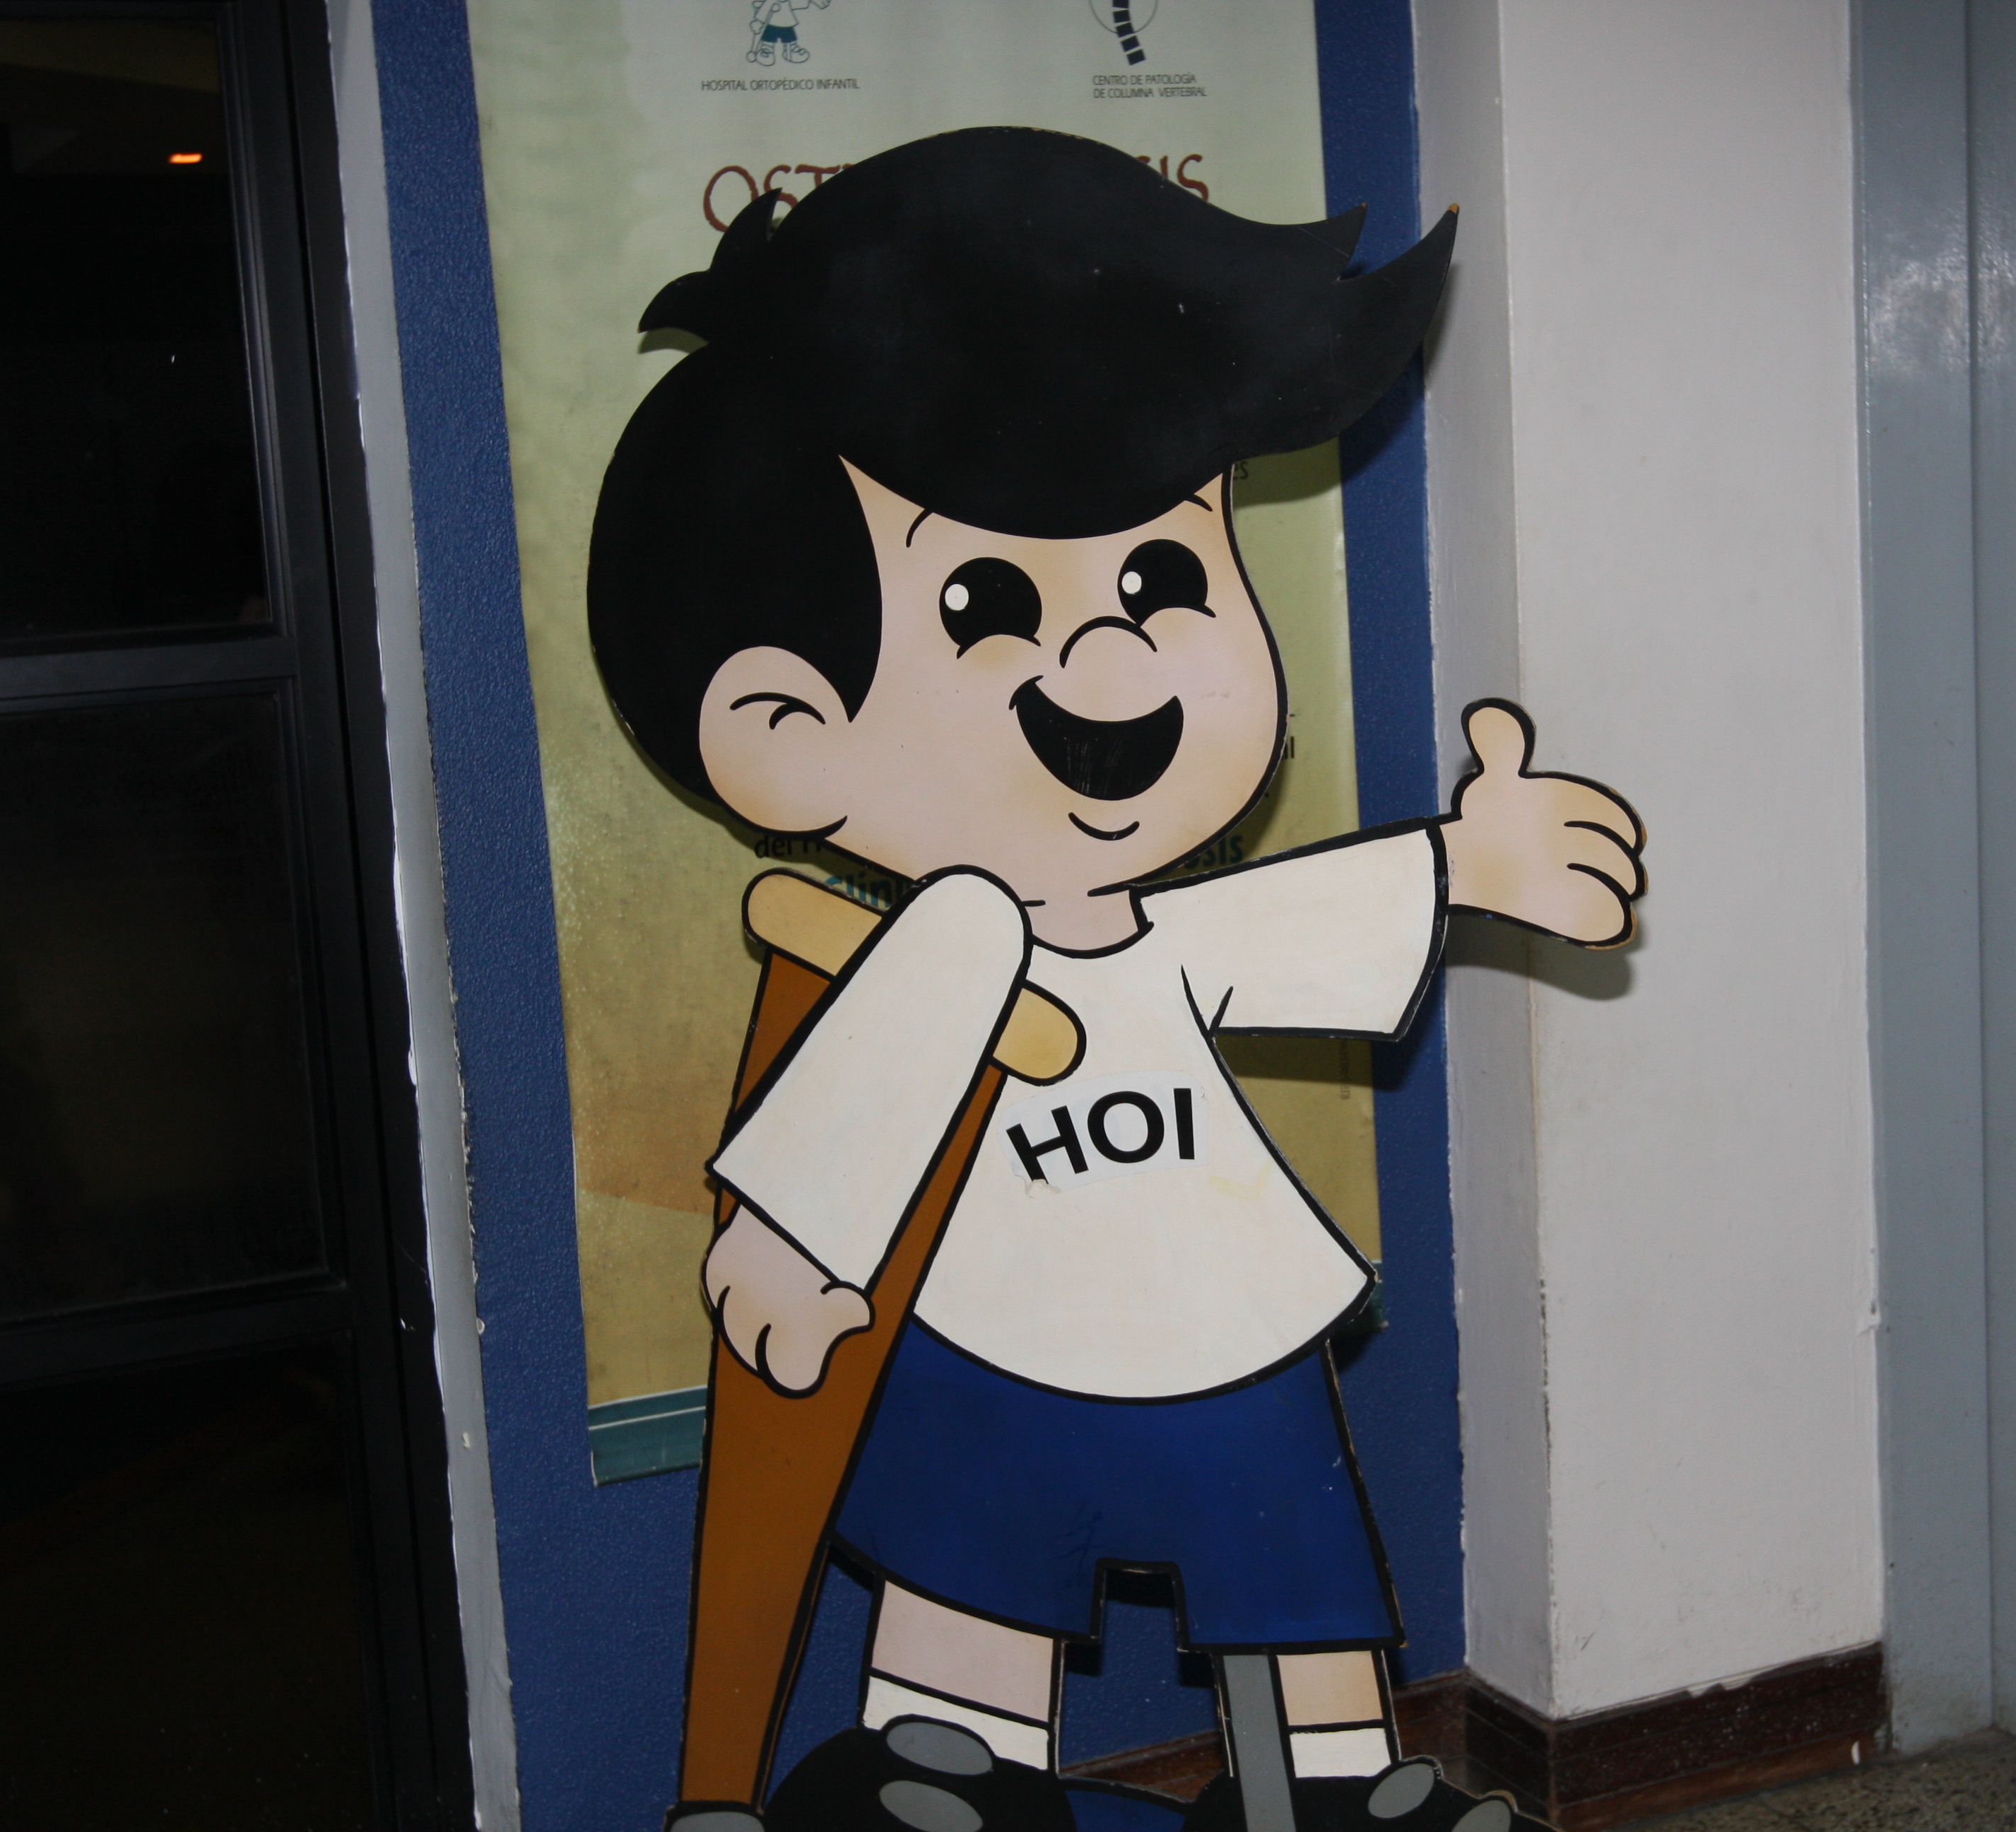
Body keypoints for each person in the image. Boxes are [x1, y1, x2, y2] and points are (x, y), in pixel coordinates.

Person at [590, 127, 1643, 1832]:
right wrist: (790, 1247)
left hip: (1225, 1316)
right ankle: (946, 1766)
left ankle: (1331, 1787)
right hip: (992, 1320)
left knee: (1287, 1558)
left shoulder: (1164, 935)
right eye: (987, 602)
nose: (1109, 655)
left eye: (1163, 575)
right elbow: (859, 1098)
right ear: (783, 728)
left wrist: (1468, 867)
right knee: (977, 1553)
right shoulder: (945, 948)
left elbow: (1285, 928)